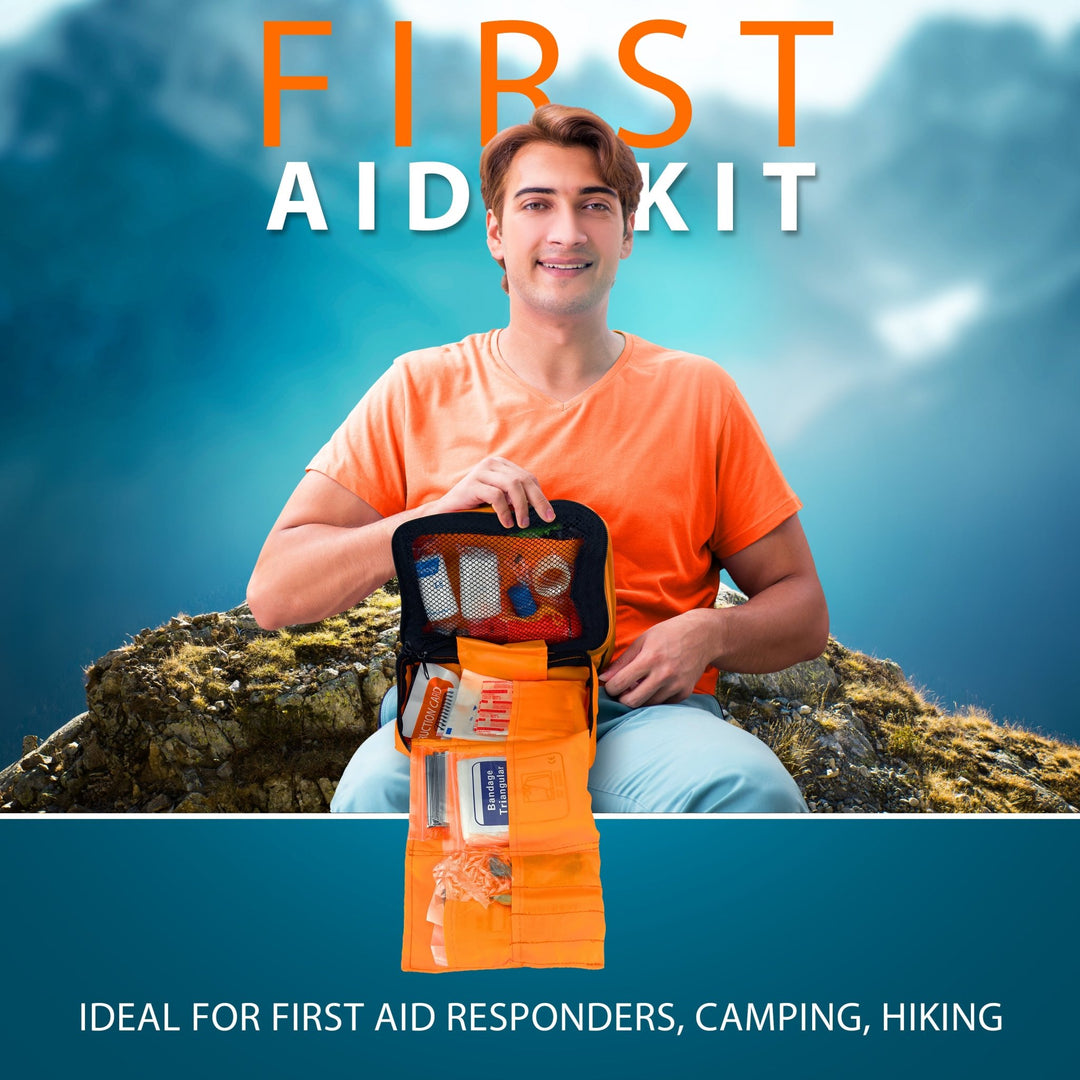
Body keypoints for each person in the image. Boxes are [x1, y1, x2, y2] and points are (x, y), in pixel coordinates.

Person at [246, 104, 828, 814]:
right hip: (458, 714)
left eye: (594, 205)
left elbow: (801, 608)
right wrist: (426, 521)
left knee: (750, 789)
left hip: (642, 724)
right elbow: (275, 592)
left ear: (626, 233)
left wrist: (712, 632)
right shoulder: (416, 387)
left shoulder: (698, 393)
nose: (566, 231)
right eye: (536, 204)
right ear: (496, 232)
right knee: (373, 796)